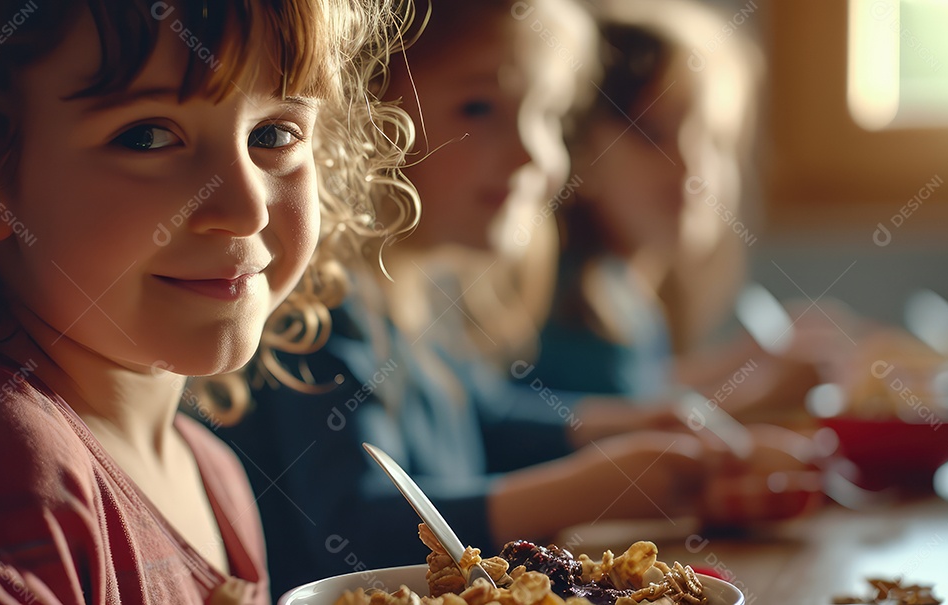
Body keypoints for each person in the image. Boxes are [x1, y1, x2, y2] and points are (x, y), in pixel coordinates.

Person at [222, 0, 820, 599]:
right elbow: (354, 525)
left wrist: (616, 427)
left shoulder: (421, 290)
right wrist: (593, 485)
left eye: (549, 115)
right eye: (480, 107)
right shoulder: (320, 310)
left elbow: (484, 417)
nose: (536, 153)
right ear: (359, 114)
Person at [0, 0, 416, 602]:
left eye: (273, 134)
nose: (244, 209)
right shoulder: (5, 474)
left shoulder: (213, 472)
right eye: (147, 137)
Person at [530, 0, 821, 422]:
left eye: (712, 139)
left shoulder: (624, 289)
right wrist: (757, 397)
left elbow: (644, 388)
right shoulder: (570, 302)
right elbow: (607, 437)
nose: (689, 167)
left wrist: (744, 362)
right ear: (580, 150)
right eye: (651, 133)